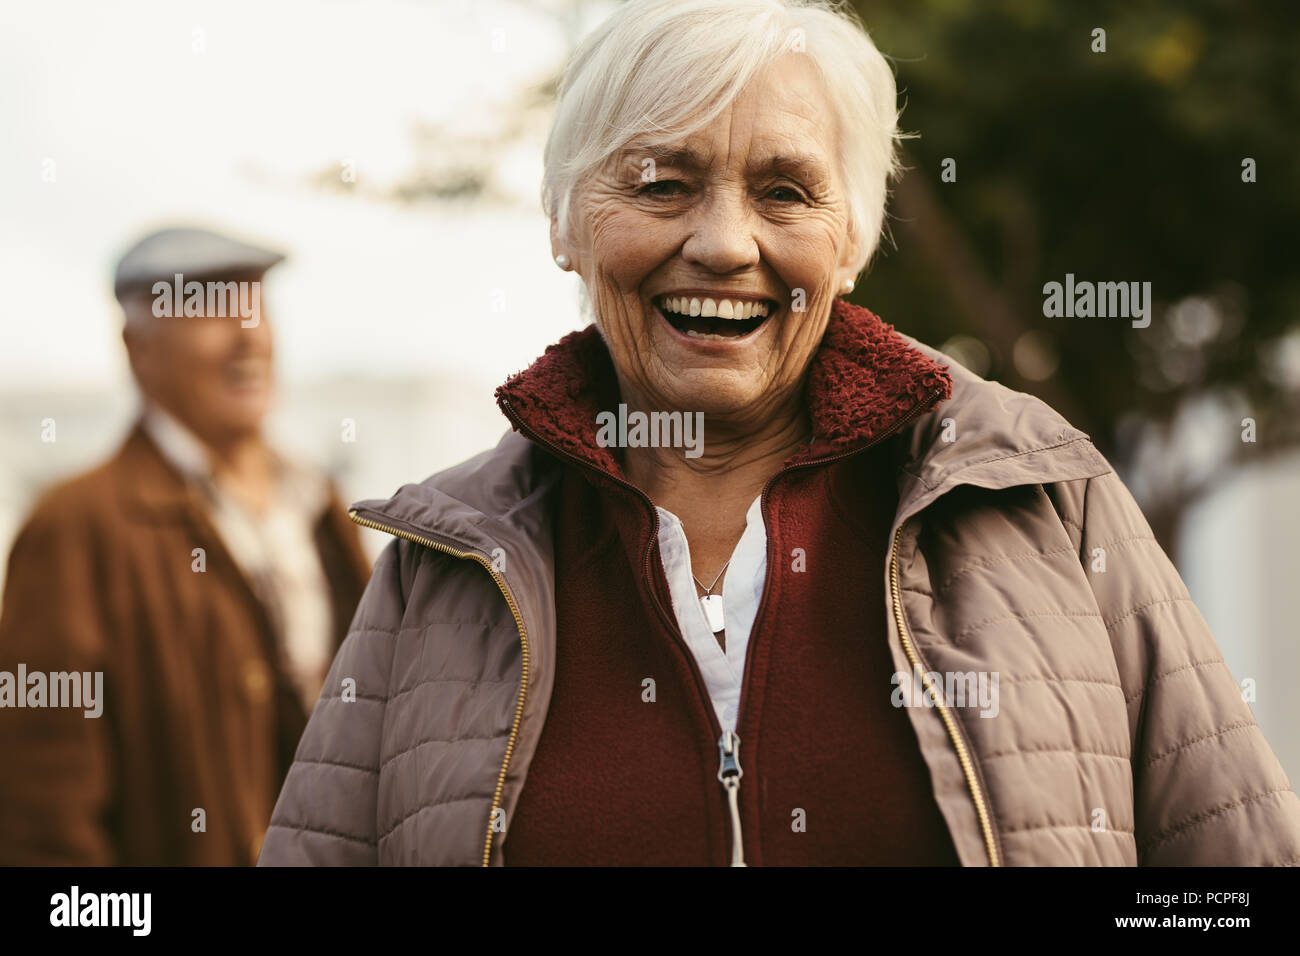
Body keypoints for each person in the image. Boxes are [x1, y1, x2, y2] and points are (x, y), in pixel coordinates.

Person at [258, 0, 1300, 866]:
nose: (722, 243)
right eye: (661, 183)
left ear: (849, 240)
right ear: (564, 223)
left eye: (784, 191)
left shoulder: (1043, 500)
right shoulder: (442, 566)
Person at [0, 226, 371, 865]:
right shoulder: (76, 528)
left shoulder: (321, 508)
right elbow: (45, 820)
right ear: (136, 347)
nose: (248, 335)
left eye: (256, 308)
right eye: (211, 310)